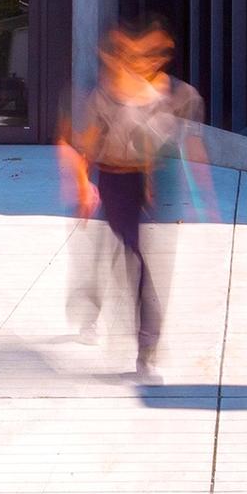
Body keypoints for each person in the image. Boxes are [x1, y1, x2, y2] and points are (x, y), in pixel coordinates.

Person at [59, 19, 209, 374]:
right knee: (130, 258)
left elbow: (165, 142)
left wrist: (173, 187)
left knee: (137, 261)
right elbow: (84, 145)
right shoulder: (101, 96)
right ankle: (133, 337)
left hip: (143, 183)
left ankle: (146, 345)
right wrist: (83, 185)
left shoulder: (170, 95)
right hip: (113, 184)